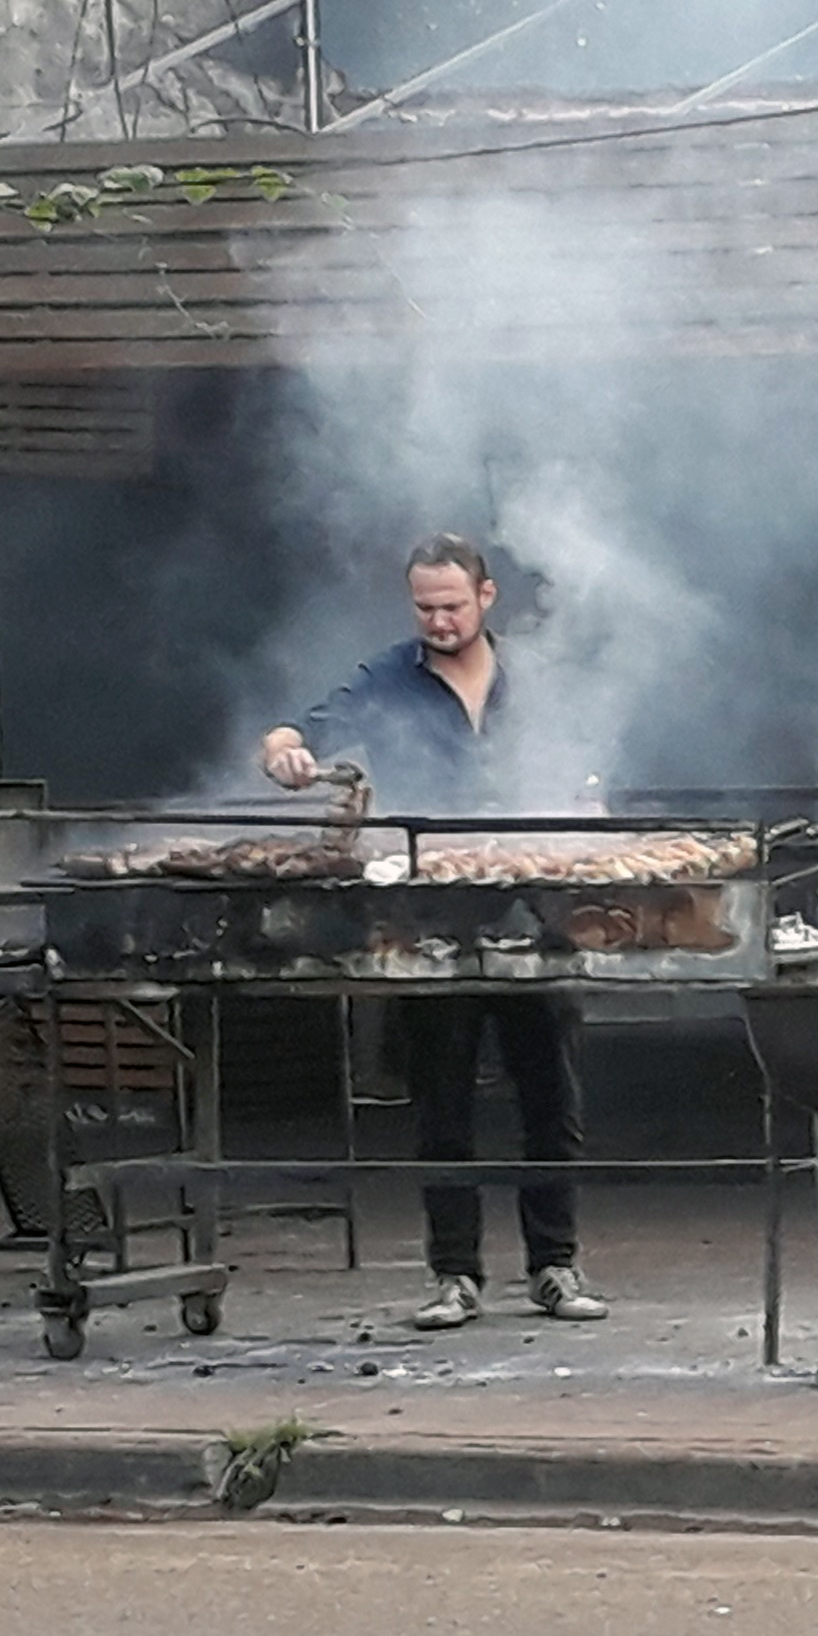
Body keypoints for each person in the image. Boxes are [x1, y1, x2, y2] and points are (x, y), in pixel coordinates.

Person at [260, 533, 609, 1333]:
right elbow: (299, 731)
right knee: (442, 1098)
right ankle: (454, 1275)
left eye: (451, 605)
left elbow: (586, 765)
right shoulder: (388, 677)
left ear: (486, 598)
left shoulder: (536, 679)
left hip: (536, 909)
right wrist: (284, 752)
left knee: (550, 1092)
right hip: (433, 916)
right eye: (424, 607)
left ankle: (555, 1264)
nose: (439, 620)